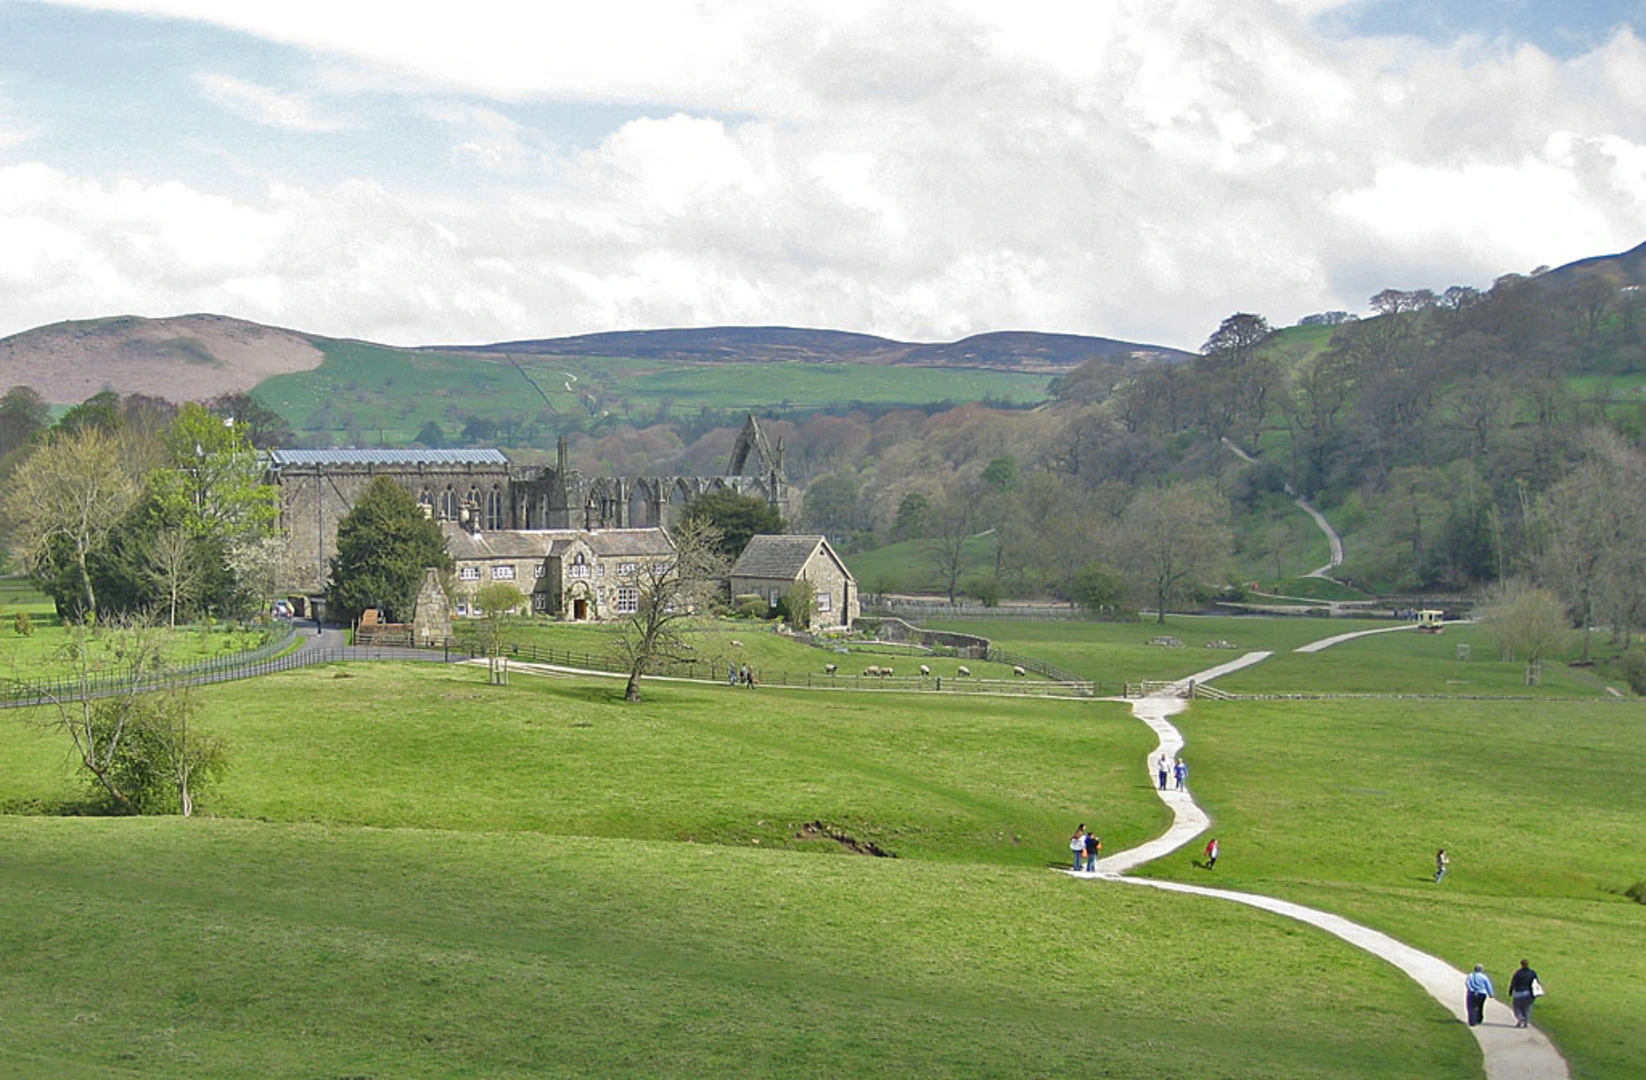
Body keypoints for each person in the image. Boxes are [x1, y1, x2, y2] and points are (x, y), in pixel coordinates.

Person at [1508, 959, 1540, 1028]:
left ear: (1521, 964)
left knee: (1516, 1007)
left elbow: (1513, 983)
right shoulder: (1532, 972)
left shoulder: (1518, 973)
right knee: (1527, 1008)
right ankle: (1526, 1022)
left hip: (1519, 993)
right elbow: (1537, 982)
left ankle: (1520, 1018)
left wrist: (1510, 991)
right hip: (1529, 993)